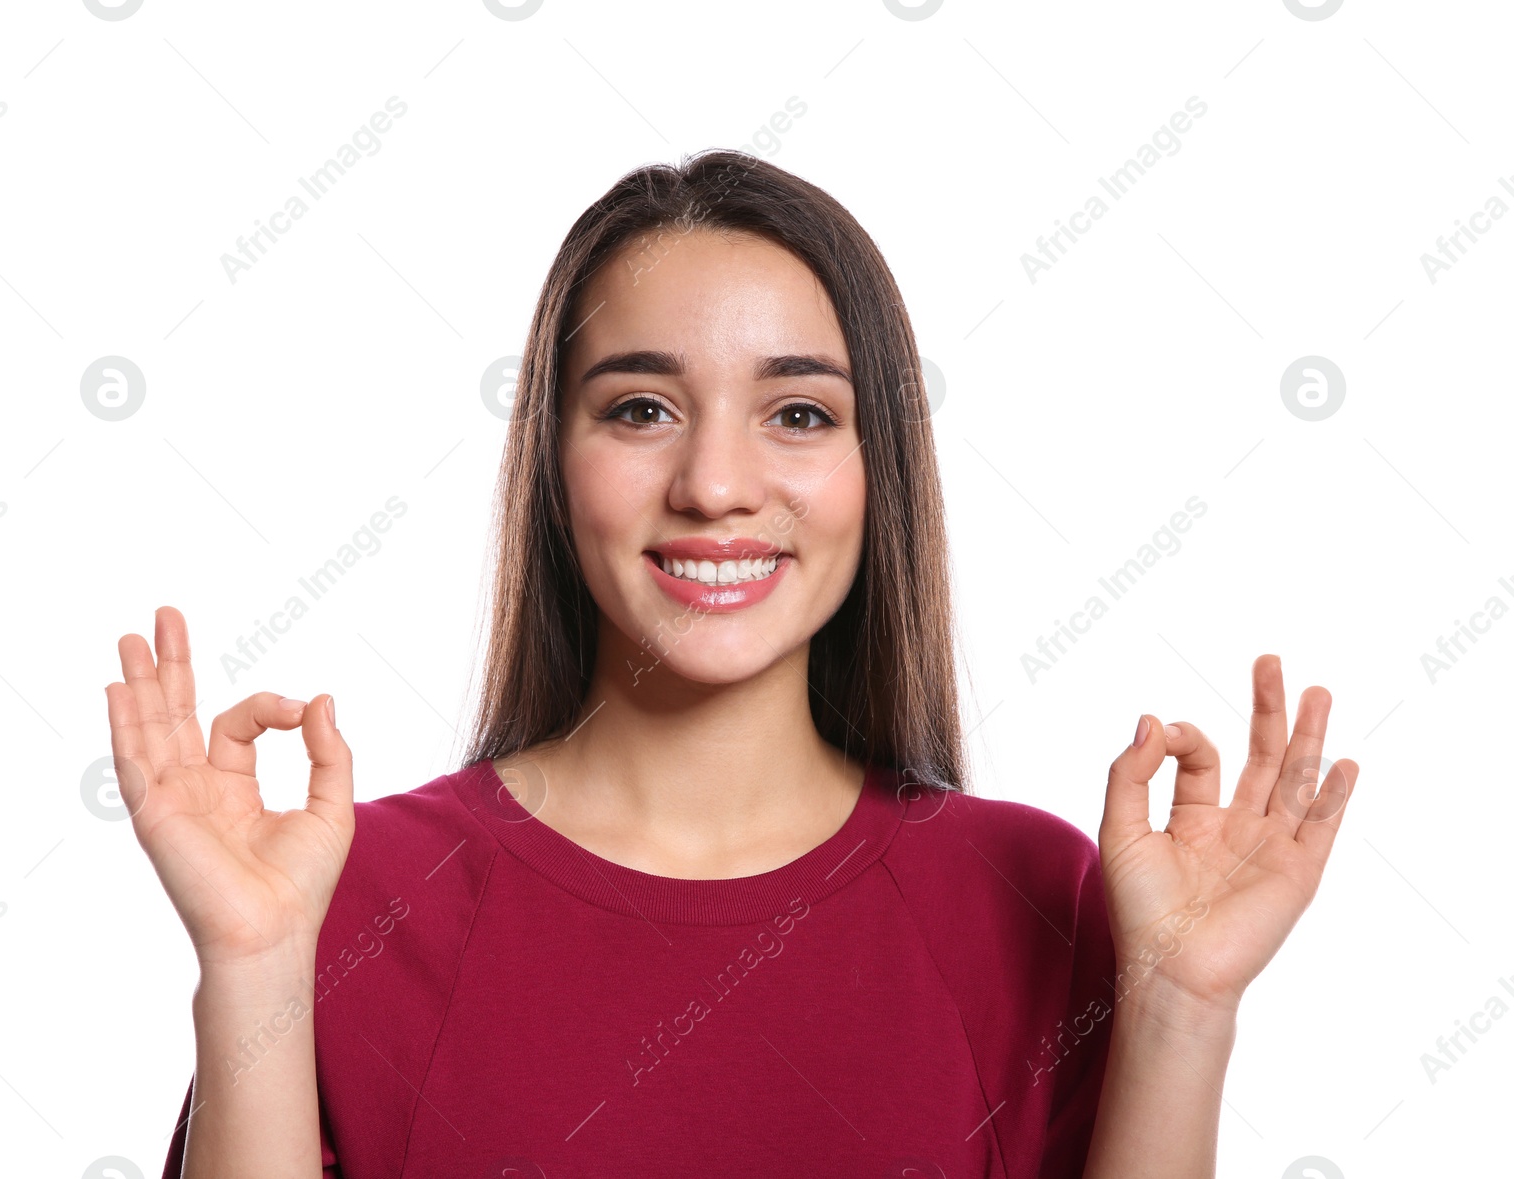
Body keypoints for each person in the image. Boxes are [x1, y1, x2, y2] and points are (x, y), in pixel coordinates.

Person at [106, 149, 1359, 1178]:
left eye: (799, 413)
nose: (713, 485)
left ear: (883, 476)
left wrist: (1183, 1008)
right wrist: (254, 965)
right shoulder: (348, 893)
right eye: (639, 408)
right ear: (553, 463)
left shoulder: (1033, 894)